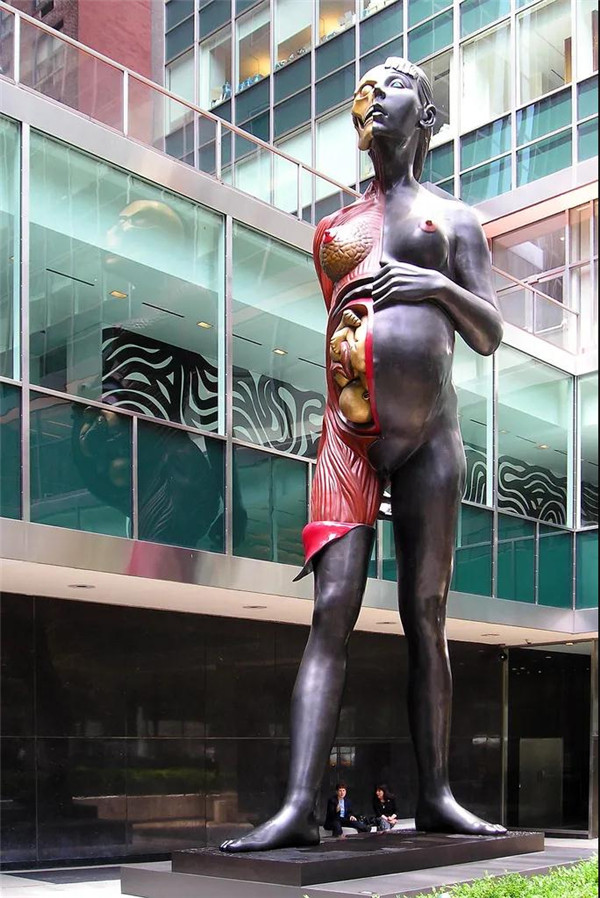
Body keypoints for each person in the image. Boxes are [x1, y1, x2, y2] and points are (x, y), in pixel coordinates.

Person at [220, 56, 506, 854]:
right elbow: (345, 322)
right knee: (330, 612)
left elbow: (489, 332)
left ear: (428, 114)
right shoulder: (334, 233)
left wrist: (434, 288)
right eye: (368, 88)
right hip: (347, 434)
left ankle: (438, 795)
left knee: (427, 615)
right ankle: (298, 807)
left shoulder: (455, 221)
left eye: (396, 84)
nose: (376, 95)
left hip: (431, 438)